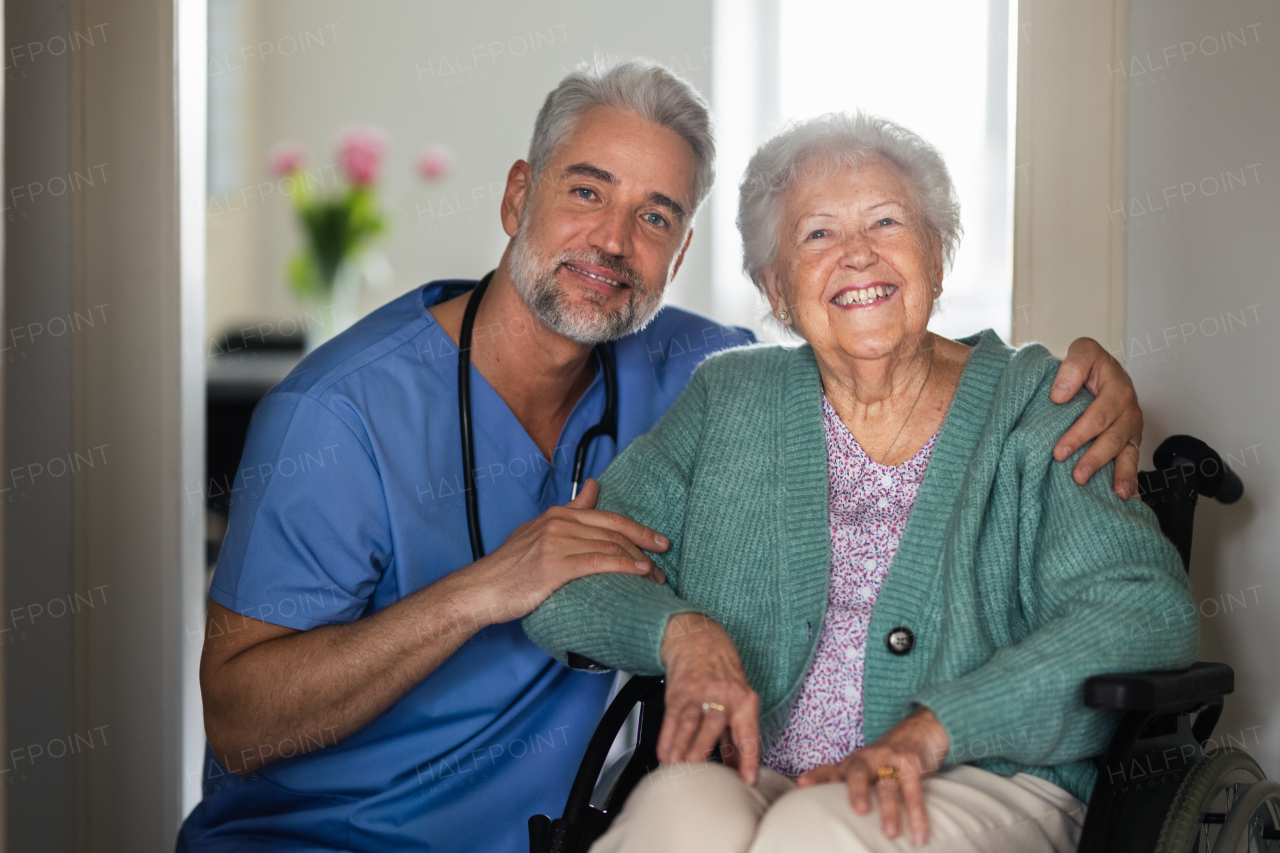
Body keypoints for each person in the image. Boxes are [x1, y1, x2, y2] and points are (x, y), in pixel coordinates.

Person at [179, 60, 1147, 852]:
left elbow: (871, 335)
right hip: (329, 838)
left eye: (654, 215)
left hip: (553, 831)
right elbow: (241, 721)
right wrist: (491, 589)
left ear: (680, 254)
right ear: (518, 194)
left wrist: (1084, 376)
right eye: (584, 191)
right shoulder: (336, 414)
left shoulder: (702, 368)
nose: (611, 239)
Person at [523, 112, 1196, 853]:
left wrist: (937, 727)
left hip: (992, 778)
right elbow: (565, 583)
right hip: (763, 773)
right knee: (677, 813)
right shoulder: (728, 401)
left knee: (816, 834)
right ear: (777, 289)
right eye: (818, 234)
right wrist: (681, 632)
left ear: (937, 258)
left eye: (885, 222)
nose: (857, 256)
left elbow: (1145, 612)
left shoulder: (1042, 405)